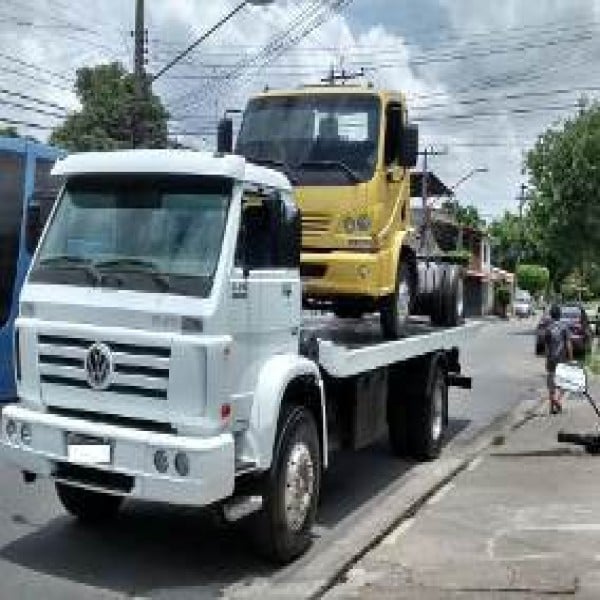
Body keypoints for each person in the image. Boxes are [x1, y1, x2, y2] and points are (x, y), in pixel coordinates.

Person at [545, 303, 573, 414]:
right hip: (562, 358)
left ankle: (552, 407)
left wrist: (547, 359)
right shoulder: (564, 326)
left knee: (551, 382)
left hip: (551, 359)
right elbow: (568, 343)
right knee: (565, 382)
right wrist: (570, 358)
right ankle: (557, 400)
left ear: (551, 315)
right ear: (560, 315)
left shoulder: (548, 328)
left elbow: (546, 347)